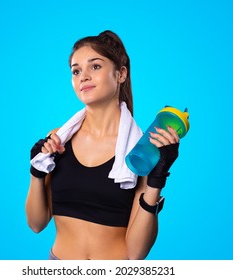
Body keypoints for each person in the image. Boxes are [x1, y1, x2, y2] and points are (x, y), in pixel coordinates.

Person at [25, 30, 180, 260]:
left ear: (121, 74)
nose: (83, 76)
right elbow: (36, 224)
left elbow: (137, 252)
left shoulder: (140, 152)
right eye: (76, 71)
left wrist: (157, 180)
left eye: (95, 66)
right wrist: (37, 172)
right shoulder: (59, 139)